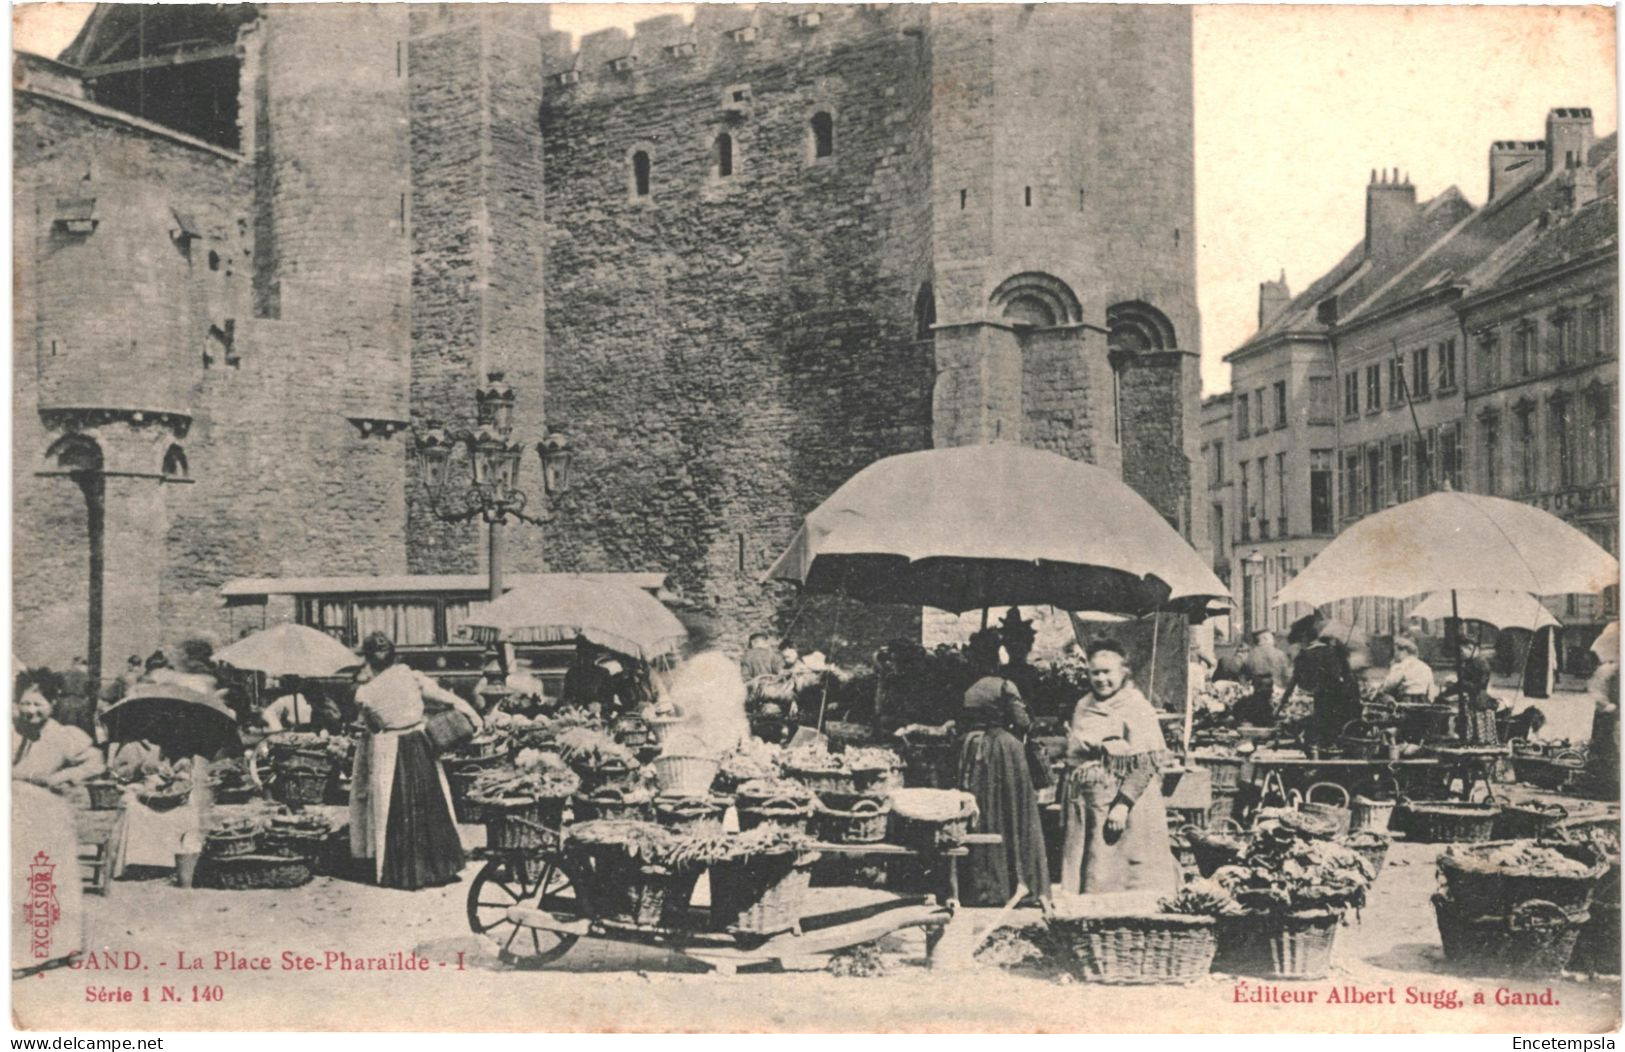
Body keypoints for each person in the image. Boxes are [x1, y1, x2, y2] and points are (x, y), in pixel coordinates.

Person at [350, 632, 482, 889]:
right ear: (394, 654)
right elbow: (445, 697)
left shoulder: (365, 692)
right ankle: (439, 868)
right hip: (419, 745)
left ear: (369, 659)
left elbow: (373, 727)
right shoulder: (411, 676)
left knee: (393, 808)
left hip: (388, 750)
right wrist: (472, 714)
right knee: (430, 803)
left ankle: (400, 871)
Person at [1058, 639, 1177, 897]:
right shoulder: (1083, 705)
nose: (1101, 679)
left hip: (1128, 810)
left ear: (1123, 673)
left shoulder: (1136, 706)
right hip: (1091, 810)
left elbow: (1147, 761)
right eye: (1094, 672)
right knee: (1095, 874)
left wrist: (1122, 806)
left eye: (1107, 672)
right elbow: (1076, 753)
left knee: (1130, 877)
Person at [956, 629, 1048, 907]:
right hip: (1003, 752)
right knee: (1013, 812)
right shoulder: (1005, 686)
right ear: (997, 656)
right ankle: (1014, 884)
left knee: (982, 812)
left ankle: (982, 886)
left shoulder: (968, 687)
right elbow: (1022, 723)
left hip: (972, 750)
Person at [12, 670, 105, 792]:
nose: (31, 711)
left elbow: (96, 763)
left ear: (52, 702)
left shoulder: (63, 735)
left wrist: (62, 777)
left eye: (37, 704)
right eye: (25, 704)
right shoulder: (13, 732)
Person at [1281, 619, 1359, 749]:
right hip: (1344, 701)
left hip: (1322, 700)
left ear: (1304, 638)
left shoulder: (1305, 655)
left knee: (1320, 736)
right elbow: (1349, 677)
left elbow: (1293, 683)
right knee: (1338, 737)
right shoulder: (1335, 651)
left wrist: (1280, 706)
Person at [1436, 655, 1499, 746]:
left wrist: (1459, 682)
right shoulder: (1470, 663)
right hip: (1472, 702)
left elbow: (1478, 686)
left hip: (1477, 703)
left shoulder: (1480, 665)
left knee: (1477, 734)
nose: (1461, 653)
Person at [560, 637, 618, 716]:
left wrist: (600, 706)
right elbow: (567, 696)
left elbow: (609, 701)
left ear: (594, 656)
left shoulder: (603, 673)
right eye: (581, 654)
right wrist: (569, 705)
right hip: (575, 714)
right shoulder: (572, 673)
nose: (584, 659)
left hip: (598, 715)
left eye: (588, 654)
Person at [1380, 635, 1436, 702]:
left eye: (1395, 651)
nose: (1395, 654)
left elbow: (1390, 685)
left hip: (1406, 700)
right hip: (1423, 701)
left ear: (1403, 651)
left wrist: (1381, 689)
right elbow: (1431, 691)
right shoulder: (1426, 667)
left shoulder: (1401, 666)